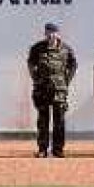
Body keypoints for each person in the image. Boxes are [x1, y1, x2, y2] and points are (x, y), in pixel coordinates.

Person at [27, 23, 77, 158]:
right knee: (43, 121)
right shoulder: (37, 48)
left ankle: (58, 149)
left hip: (59, 91)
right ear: (45, 33)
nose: (50, 35)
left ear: (58, 33)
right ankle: (42, 149)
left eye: (53, 32)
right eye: (48, 32)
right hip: (42, 90)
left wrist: (66, 81)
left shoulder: (66, 49)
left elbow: (73, 65)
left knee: (59, 121)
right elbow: (31, 63)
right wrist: (36, 78)